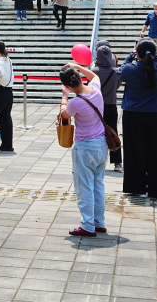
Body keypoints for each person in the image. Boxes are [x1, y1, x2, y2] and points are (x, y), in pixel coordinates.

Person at [60, 62, 108, 236]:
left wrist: (64, 98)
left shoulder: (76, 102)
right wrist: (76, 66)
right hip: (102, 144)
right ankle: (99, 221)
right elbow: (95, 76)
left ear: (67, 86)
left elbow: (64, 115)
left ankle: (88, 225)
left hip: (85, 147)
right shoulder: (95, 90)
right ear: (80, 78)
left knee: (84, 187)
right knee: (98, 185)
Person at [119, 39, 157, 200]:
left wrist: (130, 55)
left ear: (137, 53)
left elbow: (120, 71)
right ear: (155, 54)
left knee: (134, 151)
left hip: (133, 113)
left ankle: (136, 187)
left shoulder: (130, 69)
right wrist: (155, 55)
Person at [92, 41, 122, 172]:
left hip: (96, 107)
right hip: (111, 104)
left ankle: (95, 160)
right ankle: (117, 163)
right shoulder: (116, 72)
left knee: (95, 133)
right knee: (113, 133)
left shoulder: (93, 72)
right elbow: (118, 86)